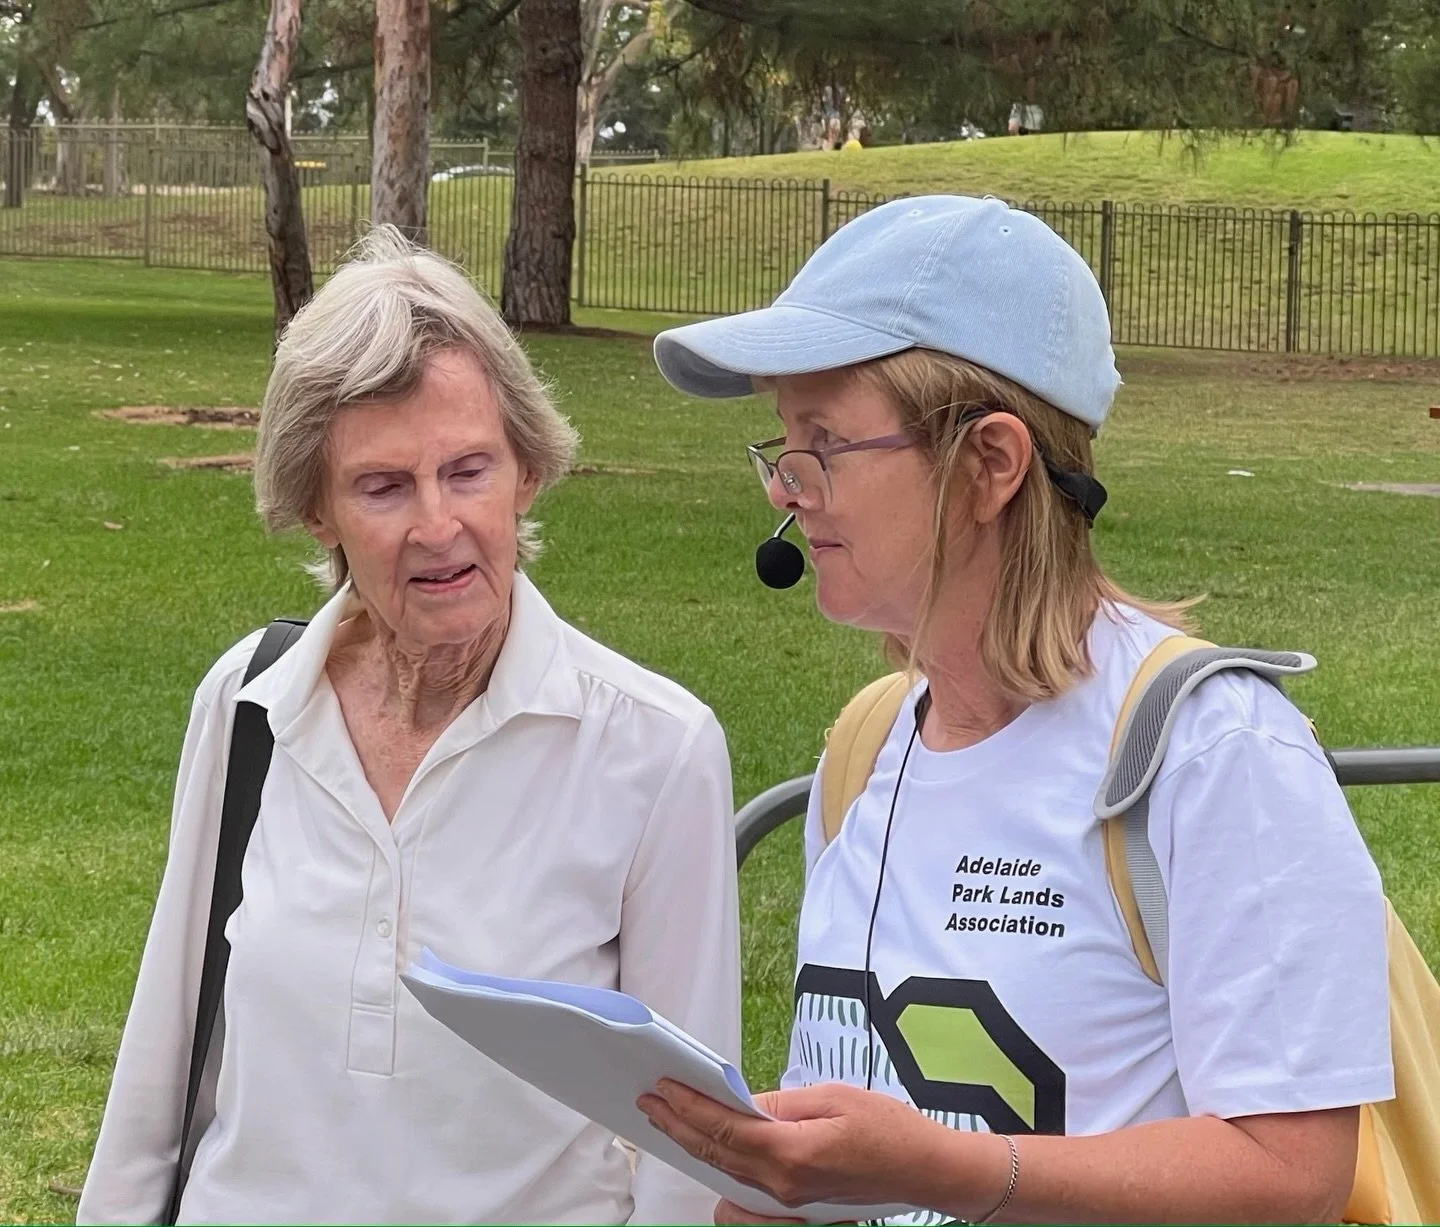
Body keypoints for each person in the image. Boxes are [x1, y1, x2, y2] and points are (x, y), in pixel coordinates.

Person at [639, 196, 1392, 1224]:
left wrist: (951, 1170)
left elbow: (1295, 1173)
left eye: (823, 442)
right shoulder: (868, 745)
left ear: (990, 464)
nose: (788, 491)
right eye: (782, 443)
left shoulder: (1215, 753)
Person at [78, 227, 740, 1225]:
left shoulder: (655, 748)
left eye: (469, 470)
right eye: (383, 487)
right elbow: (163, 1066)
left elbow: (686, 1152)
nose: (438, 526)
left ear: (527, 471)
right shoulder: (251, 703)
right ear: (317, 510)